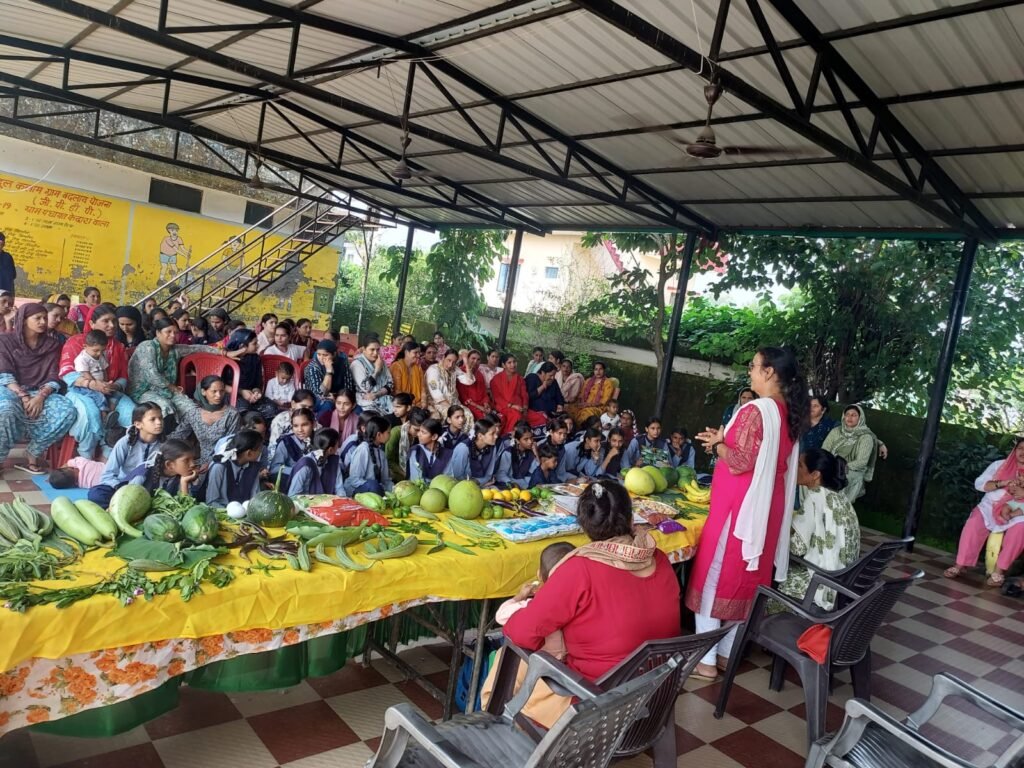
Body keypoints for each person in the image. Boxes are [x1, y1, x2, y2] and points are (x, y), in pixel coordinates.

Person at [503, 480, 681, 727]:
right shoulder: (658, 559)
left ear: (584, 525)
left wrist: (516, 604)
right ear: (631, 518)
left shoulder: (579, 569)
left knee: (508, 656)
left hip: (597, 708)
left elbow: (521, 633)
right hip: (655, 697)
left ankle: (497, 729)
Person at [687, 346, 807, 681]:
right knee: (746, 577)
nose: (750, 372)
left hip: (739, 507)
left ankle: (705, 660)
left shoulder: (756, 409)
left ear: (769, 372)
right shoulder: (787, 412)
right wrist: (723, 440)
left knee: (715, 574)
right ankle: (727, 654)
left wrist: (718, 445)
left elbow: (740, 460)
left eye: (753, 366)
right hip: (767, 507)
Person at [0, 303, 77, 475]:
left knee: (67, 410)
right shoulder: (5, 341)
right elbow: (4, 373)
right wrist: (24, 396)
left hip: (40, 391)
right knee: (5, 409)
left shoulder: (52, 344)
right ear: (24, 319)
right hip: (11, 388)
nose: (43, 322)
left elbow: (54, 375)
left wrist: (40, 397)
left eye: (44, 318)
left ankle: (33, 453)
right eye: (38, 318)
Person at [778, 449, 861, 610]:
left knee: (773, 573)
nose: (794, 468)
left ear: (815, 474)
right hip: (843, 580)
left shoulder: (815, 498)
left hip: (821, 583)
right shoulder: (840, 497)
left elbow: (796, 548)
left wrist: (781, 530)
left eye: (800, 465)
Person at [944, 437, 1024, 589]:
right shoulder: (1000, 465)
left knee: (1020, 530)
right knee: (974, 522)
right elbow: (980, 484)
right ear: (1014, 450)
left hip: (1018, 511)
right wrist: (1003, 483)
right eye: (1020, 448)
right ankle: (960, 565)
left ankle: (999, 572)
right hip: (990, 506)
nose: (1023, 452)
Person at [128, 318, 242, 421]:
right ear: (158, 333)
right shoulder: (147, 346)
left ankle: (187, 435)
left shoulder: (175, 350)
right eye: (168, 332)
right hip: (143, 391)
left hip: (167, 391)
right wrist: (173, 387)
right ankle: (167, 436)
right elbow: (152, 375)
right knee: (165, 407)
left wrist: (224, 353)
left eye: (176, 332)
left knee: (191, 408)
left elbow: (197, 348)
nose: (173, 335)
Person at [60, 305, 136, 458]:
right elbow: (66, 373)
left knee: (133, 414)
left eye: (114, 321)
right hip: (81, 391)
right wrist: (92, 384)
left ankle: (109, 456)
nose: (112, 325)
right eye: (106, 321)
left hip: (110, 391)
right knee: (91, 415)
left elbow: (123, 376)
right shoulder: (76, 342)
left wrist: (114, 385)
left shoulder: (118, 347)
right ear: (92, 324)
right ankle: (86, 457)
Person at [171, 375, 240, 472]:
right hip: (201, 462)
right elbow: (179, 434)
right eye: (214, 391)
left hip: (223, 461)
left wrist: (212, 462)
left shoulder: (232, 414)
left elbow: (231, 444)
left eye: (221, 391)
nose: (218, 395)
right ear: (203, 392)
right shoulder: (194, 414)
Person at [822, 405, 879, 503]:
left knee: (842, 478)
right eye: (847, 414)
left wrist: (840, 467)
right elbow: (824, 451)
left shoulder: (866, 437)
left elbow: (861, 462)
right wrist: (830, 464)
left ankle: (840, 507)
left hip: (851, 470)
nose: (849, 417)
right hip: (831, 464)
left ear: (860, 418)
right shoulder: (836, 431)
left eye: (854, 415)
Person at [225, 329, 278, 422]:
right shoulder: (225, 360)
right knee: (243, 409)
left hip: (250, 396)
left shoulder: (255, 358)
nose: (258, 346)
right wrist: (241, 392)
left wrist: (256, 392)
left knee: (271, 408)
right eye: (254, 343)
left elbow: (257, 382)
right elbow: (220, 385)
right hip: (232, 395)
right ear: (242, 346)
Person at [206, 430, 265, 506]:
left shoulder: (254, 468)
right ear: (249, 453)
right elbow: (211, 501)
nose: (260, 453)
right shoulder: (219, 467)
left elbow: (255, 498)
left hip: (245, 511)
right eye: (259, 450)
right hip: (221, 511)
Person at [126, 439, 199, 497]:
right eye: (186, 460)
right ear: (169, 464)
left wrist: (184, 483)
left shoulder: (183, 476)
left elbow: (186, 507)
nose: (193, 464)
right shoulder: (142, 475)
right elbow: (128, 501)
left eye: (193, 459)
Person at [304, 339, 355, 416]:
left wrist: (337, 399)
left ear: (334, 354)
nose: (321, 358)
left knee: (356, 409)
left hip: (339, 397)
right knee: (327, 405)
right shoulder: (312, 367)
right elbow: (320, 394)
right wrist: (329, 372)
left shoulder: (343, 363)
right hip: (316, 400)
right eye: (319, 354)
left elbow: (348, 387)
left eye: (325, 355)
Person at [287, 428, 345, 496]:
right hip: (305, 502)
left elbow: (339, 488)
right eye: (337, 445)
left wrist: (342, 499)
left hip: (327, 501)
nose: (338, 447)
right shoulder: (305, 464)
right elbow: (293, 495)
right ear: (330, 450)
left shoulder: (333, 462)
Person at [345, 414, 393, 495]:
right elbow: (354, 480)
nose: (390, 435)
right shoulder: (363, 449)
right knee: (374, 486)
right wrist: (376, 487)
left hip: (375, 489)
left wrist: (395, 489)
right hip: (357, 489)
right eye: (388, 432)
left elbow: (386, 480)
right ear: (379, 435)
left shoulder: (381, 453)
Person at [490, 353, 537, 435]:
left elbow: (524, 394)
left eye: (514, 362)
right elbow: (497, 398)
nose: (513, 365)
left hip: (520, 408)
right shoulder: (496, 379)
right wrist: (512, 406)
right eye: (509, 363)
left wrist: (525, 407)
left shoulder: (520, 378)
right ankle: (509, 437)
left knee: (540, 418)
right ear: (503, 365)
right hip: (503, 407)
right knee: (516, 415)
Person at [73, 330, 116, 418]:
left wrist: (105, 383)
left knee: (114, 394)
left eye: (102, 350)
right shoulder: (82, 359)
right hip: (87, 387)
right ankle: (104, 416)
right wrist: (97, 385)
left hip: (100, 384)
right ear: (85, 346)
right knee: (99, 397)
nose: (99, 353)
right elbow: (86, 375)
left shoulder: (100, 356)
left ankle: (111, 412)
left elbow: (104, 370)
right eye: (95, 350)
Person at [270, 406, 316, 483]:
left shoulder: (320, 440)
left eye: (304, 425)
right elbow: (274, 468)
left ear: (313, 424)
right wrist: (298, 470)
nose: (300, 430)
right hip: (293, 480)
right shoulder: (287, 442)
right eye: (295, 426)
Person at [449, 417, 500, 485]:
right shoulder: (463, 448)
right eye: (492, 434)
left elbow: (488, 475)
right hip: (459, 486)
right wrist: (473, 483)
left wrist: (477, 482)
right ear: (480, 436)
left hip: (480, 484)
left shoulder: (492, 447)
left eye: (496, 433)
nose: (496, 436)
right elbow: (457, 476)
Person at [350, 336, 394, 414]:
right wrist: (376, 371)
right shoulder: (357, 364)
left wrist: (377, 394)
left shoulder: (381, 362)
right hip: (365, 402)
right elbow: (366, 388)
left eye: (378, 350)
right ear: (364, 349)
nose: (375, 353)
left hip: (383, 399)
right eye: (372, 349)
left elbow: (390, 384)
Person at [268, 389, 316, 456]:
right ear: (293, 404)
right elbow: (273, 447)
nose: (306, 410)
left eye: (310, 407)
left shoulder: (313, 421)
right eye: (303, 406)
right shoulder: (280, 421)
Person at [425, 348, 465, 423]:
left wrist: (467, 364)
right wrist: (451, 407)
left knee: (467, 414)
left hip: (453, 403)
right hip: (438, 403)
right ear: (443, 357)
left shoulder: (454, 369)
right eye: (449, 360)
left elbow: (468, 381)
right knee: (454, 416)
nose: (450, 365)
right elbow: (435, 392)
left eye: (454, 362)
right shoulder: (433, 370)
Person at [455, 349, 494, 422]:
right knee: (485, 420)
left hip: (481, 404)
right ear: (467, 359)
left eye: (478, 359)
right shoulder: (461, 372)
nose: (475, 361)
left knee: (496, 418)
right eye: (473, 358)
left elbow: (484, 393)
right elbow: (463, 397)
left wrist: (486, 403)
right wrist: (479, 407)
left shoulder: (479, 374)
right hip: (469, 405)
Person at [495, 421, 536, 489]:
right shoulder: (508, 453)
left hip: (525, 487)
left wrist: (536, 453)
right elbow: (501, 474)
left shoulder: (530, 454)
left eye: (531, 438)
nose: (530, 441)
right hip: (508, 486)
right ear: (517, 441)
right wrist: (511, 483)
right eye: (526, 439)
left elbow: (534, 473)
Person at [389, 341, 426, 409]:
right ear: (406, 352)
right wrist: (410, 405)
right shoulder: (397, 366)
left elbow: (423, 389)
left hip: (418, 404)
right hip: (402, 404)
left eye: (419, 353)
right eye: (415, 352)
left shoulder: (418, 368)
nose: (418, 355)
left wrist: (423, 402)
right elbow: (397, 391)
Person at [386, 392, 413, 480]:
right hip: (391, 460)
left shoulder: (412, 422)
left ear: (408, 407)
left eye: (398, 407)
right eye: (394, 407)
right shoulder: (388, 420)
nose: (395, 410)